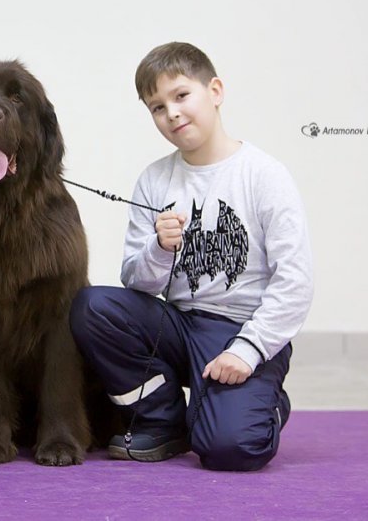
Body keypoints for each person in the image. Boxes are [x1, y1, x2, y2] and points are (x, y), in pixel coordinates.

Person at [70, 42, 313, 471]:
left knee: (230, 449)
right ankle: (162, 420)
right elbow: (138, 286)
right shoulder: (155, 179)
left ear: (215, 91)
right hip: (180, 324)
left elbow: (295, 281)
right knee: (93, 307)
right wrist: (159, 249)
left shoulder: (264, 175)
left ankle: (267, 403)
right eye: (157, 107)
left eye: (181, 96)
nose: (172, 114)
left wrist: (249, 350)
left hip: (241, 329)